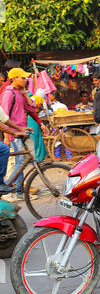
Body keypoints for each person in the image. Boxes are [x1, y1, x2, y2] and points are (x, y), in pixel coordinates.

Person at [0, 68, 48, 200]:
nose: (25, 80)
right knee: (20, 161)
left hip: (22, 132)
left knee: (25, 160)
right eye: (22, 78)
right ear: (14, 78)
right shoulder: (8, 94)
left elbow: (32, 109)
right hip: (14, 134)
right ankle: (7, 188)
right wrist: (6, 137)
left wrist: (26, 95)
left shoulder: (19, 93)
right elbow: (3, 116)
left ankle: (19, 191)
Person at [0, 106, 33, 192]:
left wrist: (20, 129)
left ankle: (17, 189)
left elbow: (5, 119)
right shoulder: (9, 94)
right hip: (8, 138)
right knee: (4, 149)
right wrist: (14, 133)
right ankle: (0, 183)